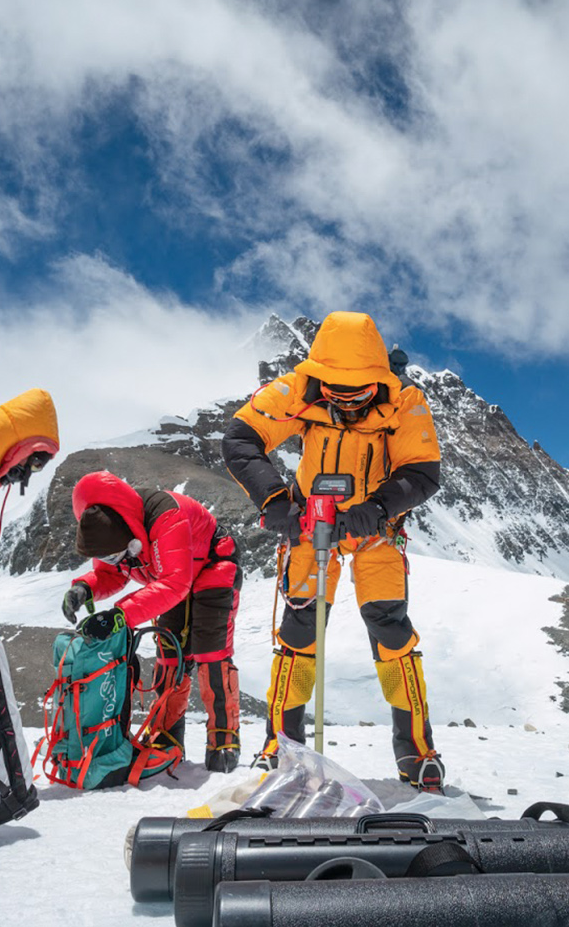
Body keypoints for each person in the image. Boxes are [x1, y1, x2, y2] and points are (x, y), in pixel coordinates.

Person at [221, 311, 445, 791]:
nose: (345, 402)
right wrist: (276, 503)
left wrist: (374, 510)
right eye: (334, 392)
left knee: (391, 633)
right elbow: (241, 438)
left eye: (358, 393)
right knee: (299, 633)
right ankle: (280, 747)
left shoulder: (405, 399)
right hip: (310, 526)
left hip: (376, 532)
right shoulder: (297, 388)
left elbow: (422, 472)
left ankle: (418, 755)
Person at [62, 470, 244, 772]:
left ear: (128, 536)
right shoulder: (112, 528)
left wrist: (120, 615)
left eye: (116, 555)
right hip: (173, 579)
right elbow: (111, 574)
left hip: (213, 567)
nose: (115, 561)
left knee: (211, 653)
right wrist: (85, 587)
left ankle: (224, 739)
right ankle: (166, 738)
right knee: (170, 656)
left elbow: (175, 582)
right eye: (107, 558)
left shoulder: (164, 516)